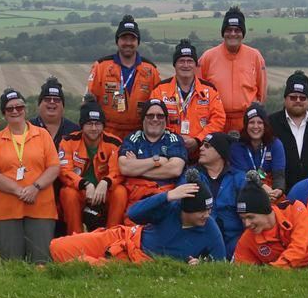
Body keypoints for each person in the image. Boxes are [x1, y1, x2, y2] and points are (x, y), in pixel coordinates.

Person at [49, 171, 227, 264]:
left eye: (209, 209)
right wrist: (166, 196)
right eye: (201, 211)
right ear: (186, 209)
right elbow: (133, 214)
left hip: (140, 260)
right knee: (57, 247)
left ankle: (54, 270)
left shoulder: (210, 228)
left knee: (81, 264)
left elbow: (220, 264)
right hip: (126, 237)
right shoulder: (171, 208)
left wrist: (200, 265)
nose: (206, 215)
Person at [0, 88, 62, 262]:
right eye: (10, 108)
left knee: (41, 261)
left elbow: (54, 167)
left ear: (25, 110)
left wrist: (35, 187)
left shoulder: (42, 135)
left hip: (40, 207)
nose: (15, 111)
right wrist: (17, 190)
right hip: (6, 209)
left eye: (19, 107)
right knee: (13, 263)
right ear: (4, 113)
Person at [85, 16, 162, 141]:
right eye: (124, 38)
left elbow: (158, 106)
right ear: (117, 41)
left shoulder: (151, 70)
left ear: (138, 42)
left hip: (140, 135)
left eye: (132, 39)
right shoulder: (101, 67)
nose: (128, 43)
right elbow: (89, 104)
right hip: (106, 134)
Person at [57, 99, 128, 233]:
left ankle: (111, 236)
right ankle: (75, 237)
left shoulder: (114, 142)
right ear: (82, 125)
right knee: (67, 193)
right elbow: (64, 171)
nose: (94, 128)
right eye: (89, 124)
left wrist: (106, 182)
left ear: (103, 125)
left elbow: (118, 171)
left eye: (98, 124)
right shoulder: (68, 141)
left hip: (104, 191)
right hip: (81, 190)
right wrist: (85, 184)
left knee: (120, 192)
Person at [148, 39, 222, 157]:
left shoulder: (210, 90)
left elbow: (218, 120)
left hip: (201, 152)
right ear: (175, 65)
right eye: (181, 61)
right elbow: (152, 120)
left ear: (195, 65)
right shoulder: (160, 90)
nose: (186, 65)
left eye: (190, 61)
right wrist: (175, 139)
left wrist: (198, 140)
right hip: (168, 152)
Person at [198, 6, 266, 131]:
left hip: (246, 123)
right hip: (215, 122)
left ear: (243, 33)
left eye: (237, 30)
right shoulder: (207, 58)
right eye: (229, 30)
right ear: (223, 33)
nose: (233, 34)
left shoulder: (255, 57)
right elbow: (198, 92)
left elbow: (261, 95)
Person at [118, 98, 188, 208]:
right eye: (150, 116)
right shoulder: (132, 138)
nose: (155, 119)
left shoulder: (174, 139)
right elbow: (125, 168)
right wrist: (157, 160)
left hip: (165, 197)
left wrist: (137, 169)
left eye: (160, 116)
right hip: (136, 196)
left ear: (166, 120)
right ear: (143, 119)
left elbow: (175, 169)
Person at [196, 132, 241, 252]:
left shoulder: (238, 178)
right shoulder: (192, 175)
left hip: (233, 241)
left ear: (220, 152)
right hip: (200, 238)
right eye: (202, 145)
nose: (201, 148)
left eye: (207, 146)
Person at [228, 101, 287, 192]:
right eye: (251, 122)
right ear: (246, 125)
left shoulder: (275, 144)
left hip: (271, 189)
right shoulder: (237, 147)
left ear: (265, 125)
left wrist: (278, 190)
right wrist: (262, 186)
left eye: (260, 122)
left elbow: (279, 175)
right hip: (245, 191)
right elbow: (242, 176)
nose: (256, 126)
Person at [33, 77, 78, 142]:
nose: (52, 102)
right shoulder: (27, 129)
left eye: (56, 100)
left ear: (63, 106)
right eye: (47, 99)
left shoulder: (75, 131)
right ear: (39, 104)